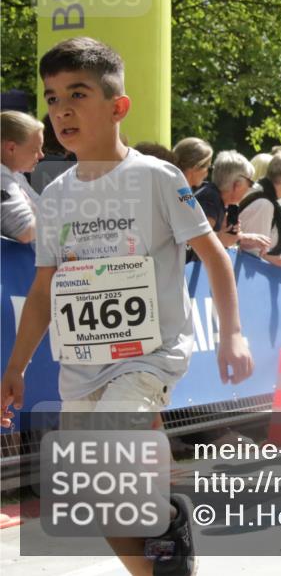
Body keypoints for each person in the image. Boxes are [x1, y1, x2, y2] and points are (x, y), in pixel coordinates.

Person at [0, 36, 254, 576]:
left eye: (78, 93)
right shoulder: (56, 196)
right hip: (81, 366)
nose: (62, 109)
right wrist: (16, 366)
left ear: (118, 107)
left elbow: (215, 256)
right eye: (50, 98)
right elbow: (45, 290)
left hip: (149, 356)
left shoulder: (157, 178)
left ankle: (163, 512)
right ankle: (160, 550)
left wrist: (233, 334)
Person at [192, 150, 269, 253]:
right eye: (250, 183)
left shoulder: (211, 194)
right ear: (237, 185)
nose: (249, 189)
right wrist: (220, 238)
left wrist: (241, 238)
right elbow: (196, 239)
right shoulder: (210, 199)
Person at [1, 110, 44, 243]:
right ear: (11, 148)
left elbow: (43, 206)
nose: (41, 155)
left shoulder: (15, 174)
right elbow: (25, 230)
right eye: (35, 149)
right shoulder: (2, 176)